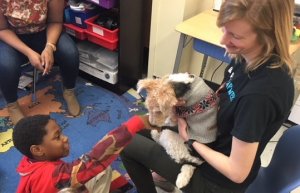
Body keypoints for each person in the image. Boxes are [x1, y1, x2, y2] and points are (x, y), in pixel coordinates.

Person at [120, 0, 296, 193]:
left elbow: (237, 173)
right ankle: (164, 179)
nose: (223, 41)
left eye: (235, 35)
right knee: (137, 126)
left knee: (127, 144)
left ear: (267, 36)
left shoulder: (260, 97)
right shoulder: (248, 58)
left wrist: (190, 141)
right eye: (224, 30)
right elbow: (226, 94)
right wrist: (184, 102)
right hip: (213, 140)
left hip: (217, 181)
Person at [12, 114, 156, 193]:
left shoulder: (30, 162)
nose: (65, 138)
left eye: (61, 133)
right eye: (57, 137)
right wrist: (135, 123)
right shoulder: (51, 175)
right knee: (100, 169)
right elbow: (91, 161)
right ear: (37, 150)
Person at [0, 0, 80, 125]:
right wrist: (28, 52)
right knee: (6, 65)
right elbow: (2, 29)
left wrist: (49, 46)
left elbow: (55, 21)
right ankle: (12, 105)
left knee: (70, 53)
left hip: (44, 32)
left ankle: (69, 91)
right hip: (12, 36)